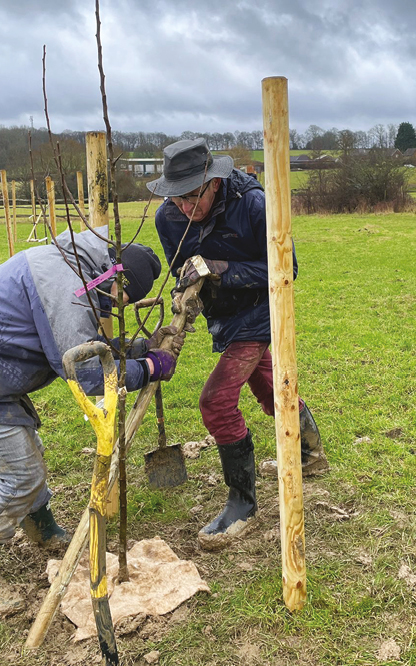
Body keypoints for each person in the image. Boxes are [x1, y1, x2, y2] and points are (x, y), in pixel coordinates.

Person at [0, 227, 178, 614]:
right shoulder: (63, 286)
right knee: (22, 473)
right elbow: (85, 370)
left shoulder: (71, 268)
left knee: (29, 452)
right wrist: (146, 368)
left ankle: (41, 527)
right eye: (122, 295)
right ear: (115, 276)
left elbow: (80, 344)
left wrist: (136, 349)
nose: (117, 304)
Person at [149, 138, 328, 550]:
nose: (185, 207)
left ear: (215, 182)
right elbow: (184, 269)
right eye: (176, 198)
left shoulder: (254, 206)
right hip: (223, 316)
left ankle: (242, 504)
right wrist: (185, 293)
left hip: (263, 310)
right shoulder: (168, 219)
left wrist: (220, 268)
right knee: (269, 388)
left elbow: (288, 268)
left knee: (216, 400)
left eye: (194, 196)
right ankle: (310, 454)